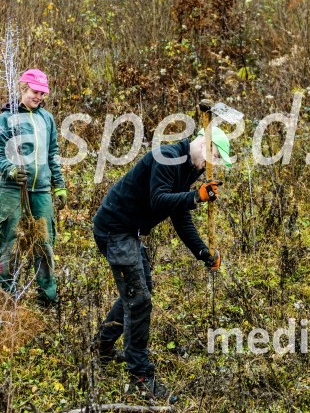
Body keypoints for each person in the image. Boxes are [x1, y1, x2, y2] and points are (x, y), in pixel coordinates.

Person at [92, 127, 230, 403]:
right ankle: (141, 375)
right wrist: (195, 197)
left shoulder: (190, 169)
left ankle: (102, 347)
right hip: (115, 228)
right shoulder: (166, 157)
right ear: (204, 143)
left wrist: (203, 252)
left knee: (137, 293)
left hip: (129, 231)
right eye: (213, 156)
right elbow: (159, 199)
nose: (211, 165)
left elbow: (179, 216)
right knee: (139, 299)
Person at [0, 69, 67, 309]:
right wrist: (12, 170)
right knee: (11, 242)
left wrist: (59, 186)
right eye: (35, 92)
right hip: (12, 191)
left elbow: (53, 153)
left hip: (42, 190)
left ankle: (47, 297)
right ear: (23, 88)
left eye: (42, 93)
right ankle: (6, 296)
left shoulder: (47, 118)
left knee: (44, 243)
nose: (39, 97)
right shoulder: (5, 118)